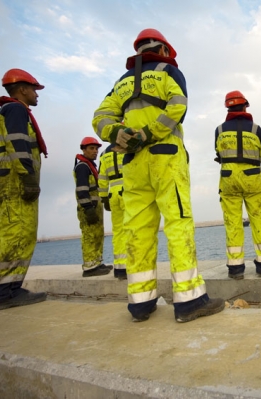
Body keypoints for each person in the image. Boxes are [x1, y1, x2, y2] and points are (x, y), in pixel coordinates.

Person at [92, 28, 224, 323]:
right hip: (165, 156)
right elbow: (178, 106)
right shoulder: (169, 71)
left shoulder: (120, 83)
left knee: (137, 229)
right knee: (177, 222)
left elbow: (99, 118)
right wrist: (149, 133)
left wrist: (120, 134)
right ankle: (190, 300)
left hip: (133, 163)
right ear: (163, 50)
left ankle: (141, 303)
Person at [0, 68, 48, 310]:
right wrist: (28, 177)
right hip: (14, 178)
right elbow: (19, 145)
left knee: (7, 233)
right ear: (22, 89)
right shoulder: (17, 110)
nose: (37, 94)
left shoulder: (9, 110)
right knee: (20, 233)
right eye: (34, 89)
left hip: (6, 176)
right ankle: (7, 293)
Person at [214, 91, 261, 279]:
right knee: (258, 218)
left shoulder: (220, 129)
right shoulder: (256, 129)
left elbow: (219, 152)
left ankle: (235, 267)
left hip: (228, 177)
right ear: (245, 106)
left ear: (228, 108)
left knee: (232, 221)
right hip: (252, 176)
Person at [74, 137, 113, 277]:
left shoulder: (90, 166)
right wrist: (88, 208)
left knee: (97, 235)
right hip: (88, 208)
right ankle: (90, 267)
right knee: (90, 235)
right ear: (83, 149)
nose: (95, 151)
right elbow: (82, 190)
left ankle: (97, 262)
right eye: (91, 148)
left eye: (96, 148)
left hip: (95, 207)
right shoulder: (83, 167)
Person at [98, 143, 127, 280]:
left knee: (118, 231)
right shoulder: (127, 146)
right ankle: (133, 265)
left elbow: (102, 178)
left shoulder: (104, 154)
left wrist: (104, 198)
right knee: (133, 229)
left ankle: (120, 268)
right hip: (129, 191)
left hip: (113, 194)